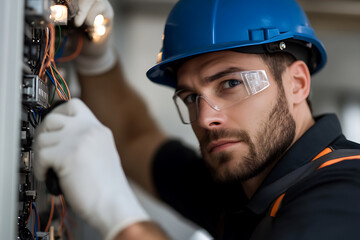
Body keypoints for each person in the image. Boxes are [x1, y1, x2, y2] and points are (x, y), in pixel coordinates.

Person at [34, 0, 360, 239]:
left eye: (231, 83)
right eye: (191, 97)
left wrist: (120, 217)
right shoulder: (241, 182)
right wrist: (96, 56)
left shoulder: (342, 194)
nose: (205, 118)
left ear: (297, 84)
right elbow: (135, 138)